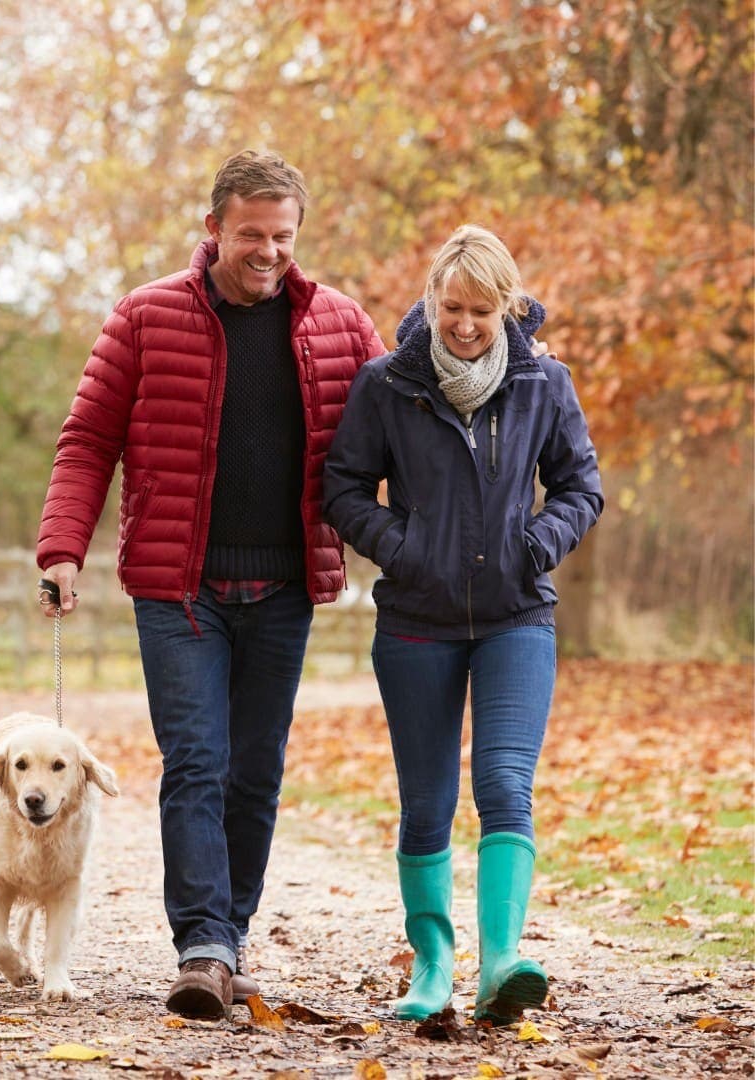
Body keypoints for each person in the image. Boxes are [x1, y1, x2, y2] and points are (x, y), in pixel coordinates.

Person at [36, 150, 384, 1018]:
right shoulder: (145, 317)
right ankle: (201, 944)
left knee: (255, 770)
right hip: (178, 587)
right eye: (251, 235)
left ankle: (228, 938)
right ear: (214, 228)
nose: (268, 252)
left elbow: (404, 419)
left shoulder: (340, 326)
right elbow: (87, 441)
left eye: (284, 237)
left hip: (285, 590)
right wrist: (61, 549)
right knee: (197, 760)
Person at [322, 225, 602, 1024]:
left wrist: (535, 543)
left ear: (508, 307)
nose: (466, 325)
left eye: (482, 310)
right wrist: (401, 549)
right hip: (416, 620)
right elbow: (343, 489)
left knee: (507, 785)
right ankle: (434, 965)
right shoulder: (387, 385)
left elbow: (581, 487)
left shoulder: (544, 383)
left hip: (517, 615)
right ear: (432, 301)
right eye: (452, 308)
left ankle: (502, 959)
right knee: (426, 801)